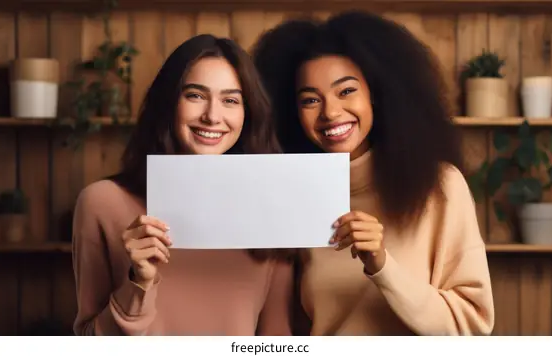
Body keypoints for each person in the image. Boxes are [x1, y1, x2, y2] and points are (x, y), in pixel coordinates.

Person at [252, 11, 495, 336]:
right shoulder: (294, 193)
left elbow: (473, 324)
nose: (330, 112)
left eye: (346, 91)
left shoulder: (440, 186)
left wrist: (381, 265)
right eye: (310, 100)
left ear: (376, 96)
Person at [72, 34, 294, 336]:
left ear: (248, 113)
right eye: (195, 95)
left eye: (230, 100)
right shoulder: (102, 203)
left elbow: (276, 340)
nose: (212, 116)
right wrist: (139, 283)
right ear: (168, 102)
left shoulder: (272, 207)